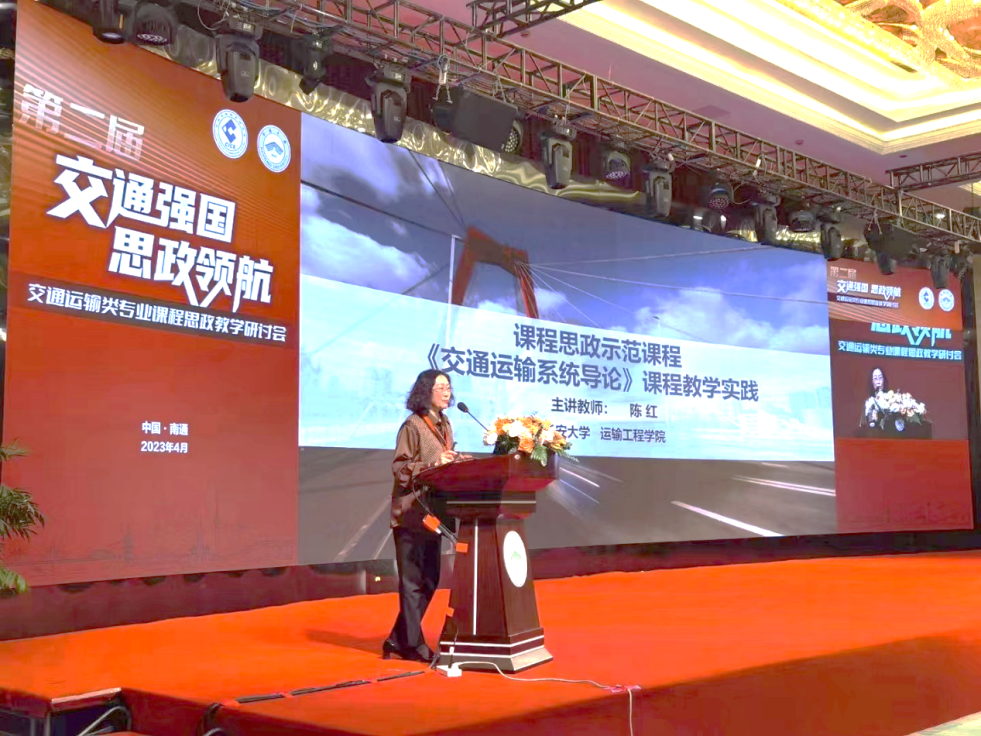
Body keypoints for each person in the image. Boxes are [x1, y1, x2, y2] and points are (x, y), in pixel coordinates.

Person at [382, 369, 459, 662]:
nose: (447, 392)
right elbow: (401, 469)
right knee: (413, 582)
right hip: (412, 514)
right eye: (441, 387)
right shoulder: (412, 425)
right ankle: (412, 645)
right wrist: (434, 462)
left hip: (434, 514)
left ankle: (396, 640)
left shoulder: (446, 423)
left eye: (449, 387)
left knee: (430, 579)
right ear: (426, 390)